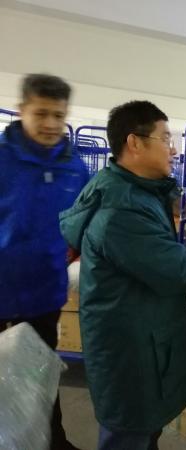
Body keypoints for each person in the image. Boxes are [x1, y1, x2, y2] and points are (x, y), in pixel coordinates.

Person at [59, 100, 186, 450]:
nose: (173, 149)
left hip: (142, 336)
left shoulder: (137, 193)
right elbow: (174, 268)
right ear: (135, 143)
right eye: (165, 138)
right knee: (128, 432)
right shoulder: (122, 207)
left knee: (141, 429)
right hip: (130, 349)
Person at [0, 73, 89, 450]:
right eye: (41, 113)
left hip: (44, 295)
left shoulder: (75, 167)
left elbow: (83, 224)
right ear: (22, 110)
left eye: (59, 115)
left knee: (42, 374)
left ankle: (53, 442)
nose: (51, 123)